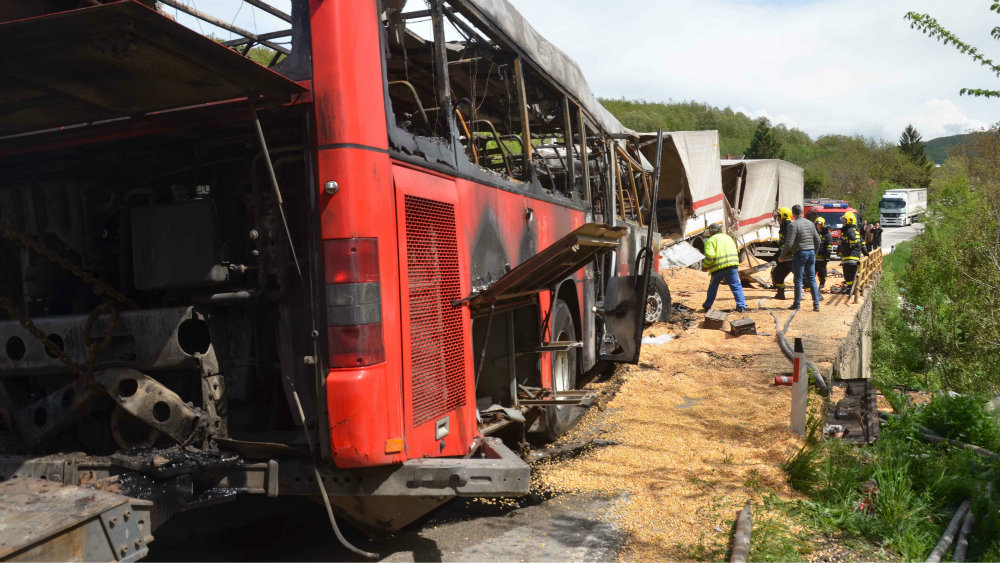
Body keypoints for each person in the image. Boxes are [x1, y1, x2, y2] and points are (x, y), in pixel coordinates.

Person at [778, 204, 822, 311]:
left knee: (798, 279)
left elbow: (788, 243)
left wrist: (781, 256)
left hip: (800, 253)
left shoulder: (794, 225)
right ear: (802, 212)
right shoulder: (811, 223)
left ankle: (797, 304)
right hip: (811, 252)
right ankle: (816, 304)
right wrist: (814, 253)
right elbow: (818, 240)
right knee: (812, 279)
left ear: (793, 215)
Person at [701, 222, 747, 313]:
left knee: (713, 287)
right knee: (736, 286)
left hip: (718, 268)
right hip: (732, 267)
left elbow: (710, 256)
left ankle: (707, 306)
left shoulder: (710, 240)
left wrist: (705, 266)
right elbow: (736, 251)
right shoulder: (728, 238)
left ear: (710, 232)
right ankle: (741, 307)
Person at [833, 211, 866, 293]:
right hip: (852, 257)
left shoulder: (849, 230)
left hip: (849, 257)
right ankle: (851, 289)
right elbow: (862, 243)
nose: (843, 222)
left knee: (848, 276)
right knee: (851, 276)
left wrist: (846, 241)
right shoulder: (854, 231)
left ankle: (850, 290)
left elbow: (853, 241)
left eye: (845, 221)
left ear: (849, 221)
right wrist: (866, 253)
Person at [771, 207, 794, 300]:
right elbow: (783, 243)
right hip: (784, 258)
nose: (777, 218)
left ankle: (817, 295)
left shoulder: (789, 228)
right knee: (777, 274)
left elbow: (789, 244)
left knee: (803, 278)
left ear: (783, 217)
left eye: (778, 216)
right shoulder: (783, 227)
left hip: (792, 259)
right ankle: (780, 295)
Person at [814, 216, 835, 290]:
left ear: (822, 224)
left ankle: (822, 284)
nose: (818, 226)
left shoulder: (827, 234)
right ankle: (810, 285)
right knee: (811, 271)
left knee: (822, 272)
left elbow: (829, 246)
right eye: (817, 224)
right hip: (813, 257)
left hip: (822, 258)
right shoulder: (814, 232)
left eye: (819, 224)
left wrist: (827, 257)